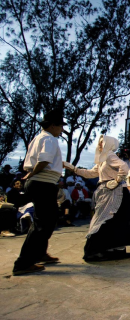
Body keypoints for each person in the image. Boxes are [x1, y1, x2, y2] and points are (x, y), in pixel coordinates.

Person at [64, 135, 130, 261]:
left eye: (102, 142)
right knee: (113, 221)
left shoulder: (109, 155)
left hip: (115, 192)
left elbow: (124, 168)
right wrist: (73, 168)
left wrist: (117, 180)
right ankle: (112, 248)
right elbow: (91, 173)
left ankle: (97, 250)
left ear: (108, 144)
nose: (100, 144)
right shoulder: (102, 159)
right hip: (107, 191)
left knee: (104, 219)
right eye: (99, 142)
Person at [12, 108, 66, 276]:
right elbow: (43, 161)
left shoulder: (39, 138)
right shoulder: (49, 139)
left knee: (47, 220)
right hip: (42, 182)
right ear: (52, 125)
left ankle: (40, 253)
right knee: (43, 223)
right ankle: (23, 263)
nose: (62, 130)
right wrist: (32, 174)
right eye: (60, 126)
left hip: (43, 182)